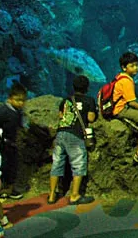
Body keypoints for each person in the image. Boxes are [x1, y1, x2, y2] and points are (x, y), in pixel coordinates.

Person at [47, 75, 97, 205]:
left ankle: (51, 195)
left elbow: (61, 115)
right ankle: (74, 195)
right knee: (78, 163)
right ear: (87, 88)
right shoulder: (89, 100)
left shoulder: (66, 100)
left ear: (73, 87)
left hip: (61, 133)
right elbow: (91, 118)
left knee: (57, 163)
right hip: (76, 135)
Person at [0, 82, 27, 199]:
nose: (21, 103)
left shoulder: (18, 111)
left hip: (12, 143)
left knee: (12, 167)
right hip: (2, 144)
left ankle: (9, 189)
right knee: (3, 167)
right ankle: (1, 190)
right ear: (10, 98)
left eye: (23, 100)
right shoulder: (3, 111)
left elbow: (22, 124)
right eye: (18, 100)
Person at [113, 51, 138, 169]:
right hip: (120, 109)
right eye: (132, 66)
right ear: (124, 67)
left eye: (136, 65)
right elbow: (131, 102)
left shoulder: (121, 76)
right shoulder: (126, 81)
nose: (136, 68)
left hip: (124, 103)